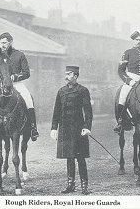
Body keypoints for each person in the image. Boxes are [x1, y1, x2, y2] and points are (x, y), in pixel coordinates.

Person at [0, 32, 39, 144]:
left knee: (28, 100)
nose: (2, 45)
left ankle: (33, 128)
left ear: (10, 42)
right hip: (1, 86)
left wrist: (15, 76)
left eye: (5, 43)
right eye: (1, 43)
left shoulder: (19, 55)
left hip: (17, 84)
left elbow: (27, 73)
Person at [50, 66, 93, 195]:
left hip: (78, 129)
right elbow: (56, 111)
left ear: (75, 76)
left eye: (69, 74)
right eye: (66, 74)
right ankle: (70, 185)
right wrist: (53, 128)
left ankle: (84, 186)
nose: (66, 77)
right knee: (69, 157)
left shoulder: (83, 90)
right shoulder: (61, 91)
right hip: (65, 129)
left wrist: (87, 127)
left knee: (80, 158)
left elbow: (88, 112)